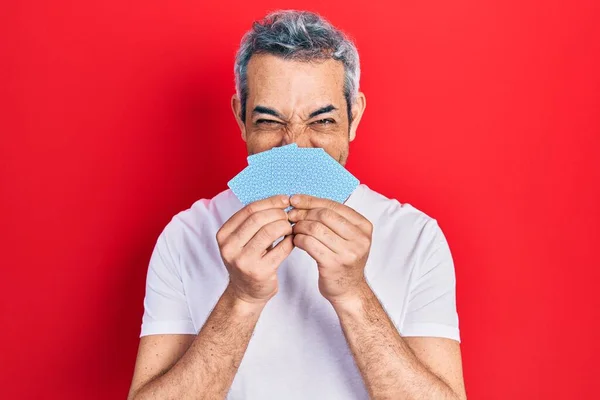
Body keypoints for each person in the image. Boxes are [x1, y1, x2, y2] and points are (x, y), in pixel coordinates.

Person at [128, 10, 466, 400]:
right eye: (270, 122)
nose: (295, 147)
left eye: (321, 122)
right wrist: (241, 298)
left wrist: (353, 293)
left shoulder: (417, 236)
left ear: (354, 115)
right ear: (240, 117)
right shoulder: (186, 235)